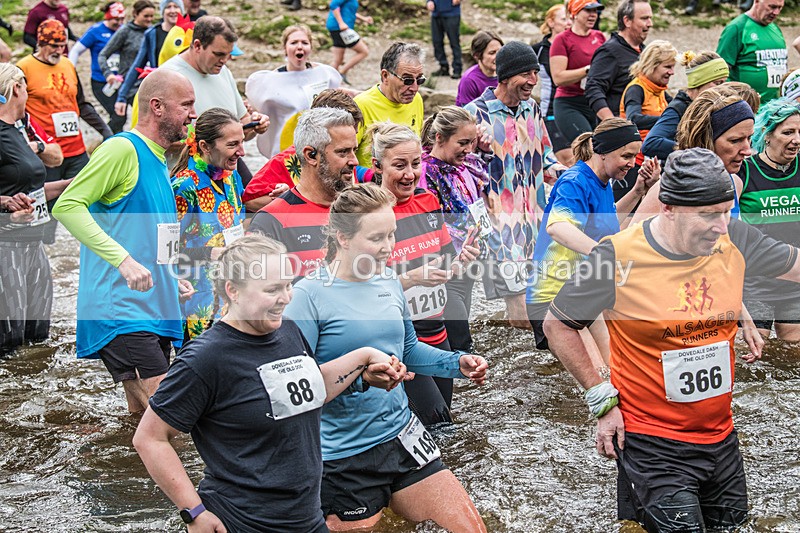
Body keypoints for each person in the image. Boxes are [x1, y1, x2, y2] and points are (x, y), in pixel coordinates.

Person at [543, 147, 800, 533]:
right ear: (668, 208)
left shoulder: (733, 236)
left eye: (726, 210)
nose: (720, 225)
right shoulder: (618, 256)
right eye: (708, 214)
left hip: (721, 437)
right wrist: (601, 399)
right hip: (653, 444)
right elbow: (557, 325)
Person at [133, 234, 409, 532]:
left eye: (288, 285)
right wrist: (195, 512)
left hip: (305, 516)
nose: (286, 298)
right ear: (233, 291)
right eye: (272, 290)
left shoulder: (287, 330)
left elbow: (311, 388)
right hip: (243, 520)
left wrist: (363, 361)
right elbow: (149, 438)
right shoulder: (205, 358)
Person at [285, 183, 488, 532]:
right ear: (343, 238)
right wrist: (361, 377)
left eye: (391, 234)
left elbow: (407, 350)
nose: (388, 248)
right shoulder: (307, 297)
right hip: (343, 456)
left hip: (403, 435)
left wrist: (456, 363)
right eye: (376, 238)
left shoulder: (388, 281)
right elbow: (294, 388)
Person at [52, 69, 196, 414]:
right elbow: (67, 206)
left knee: (142, 416)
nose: (193, 114)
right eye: (187, 105)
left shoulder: (159, 157)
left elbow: (151, 230)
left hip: (152, 305)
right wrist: (123, 260)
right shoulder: (121, 149)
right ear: (157, 106)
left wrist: (170, 278)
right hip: (121, 308)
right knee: (170, 418)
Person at [370, 121, 481, 425]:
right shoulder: (368, 213)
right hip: (400, 341)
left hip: (437, 332)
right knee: (434, 420)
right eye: (399, 165)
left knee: (444, 422)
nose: (410, 174)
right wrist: (412, 278)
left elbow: (445, 267)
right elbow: (360, 286)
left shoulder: (428, 200)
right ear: (377, 166)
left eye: (416, 163)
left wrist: (462, 261)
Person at [527, 118, 659, 361]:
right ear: (604, 152)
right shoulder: (575, 181)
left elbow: (606, 224)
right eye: (627, 156)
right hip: (551, 298)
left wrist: (640, 190)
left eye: (635, 157)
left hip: (582, 289)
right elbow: (557, 227)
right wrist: (604, 252)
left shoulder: (603, 180)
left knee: (615, 370)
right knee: (599, 381)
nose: (632, 164)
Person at [464, 41, 565, 329]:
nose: (533, 81)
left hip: (535, 224)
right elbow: (462, 172)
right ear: (505, 76)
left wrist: (568, 175)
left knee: (542, 304)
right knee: (520, 312)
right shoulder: (474, 114)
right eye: (526, 74)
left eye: (535, 72)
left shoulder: (532, 109)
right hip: (498, 229)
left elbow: (546, 157)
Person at [18, 19, 113, 244]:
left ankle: (89, 250)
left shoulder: (68, 65)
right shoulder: (24, 68)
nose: (58, 51)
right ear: (40, 43)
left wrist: (105, 130)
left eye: (62, 45)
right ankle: (46, 252)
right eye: (53, 45)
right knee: (47, 212)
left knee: (89, 203)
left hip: (76, 150)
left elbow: (81, 103)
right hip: (47, 154)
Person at [0, 64, 70, 355]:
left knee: (38, 338)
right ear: (17, 87)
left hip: (33, 243)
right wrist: (6, 206)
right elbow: (9, 198)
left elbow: (33, 192)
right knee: (9, 343)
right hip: (6, 248)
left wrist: (79, 184)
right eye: (26, 87)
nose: (28, 93)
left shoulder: (18, 131)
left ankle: (30, 397)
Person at [248, 107, 357, 278]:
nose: (354, 161)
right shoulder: (271, 221)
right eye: (343, 152)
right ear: (311, 156)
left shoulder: (360, 210)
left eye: (354, 151)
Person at [160, 16, 268, 184]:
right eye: (218, 54)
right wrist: (203, 139)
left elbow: (243, 126)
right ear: (197, 45)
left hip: (227, 178)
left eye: (228, 55)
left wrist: (255, 124)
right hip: (186, 183)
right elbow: (154, 139)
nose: (224, 61)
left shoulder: (223, 72)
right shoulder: (168, 76)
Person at [420, 105, 492, 354]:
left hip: (472, 251)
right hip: (446, 258)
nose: (468, 149)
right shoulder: (425, 171)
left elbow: (482, 191)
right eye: (462, 142)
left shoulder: (467, 164)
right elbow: (427, 221)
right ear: (440, 137)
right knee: (461, 339)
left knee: (462, 317)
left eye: (471, 142)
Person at [170, 108, 246, 339]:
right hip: (195, 300)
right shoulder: (184, 187)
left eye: (242, 143)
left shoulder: (231, 176)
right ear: (204, 146)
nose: (241, 152)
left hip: (230, 293)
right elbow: (162, 251)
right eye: (233, 145)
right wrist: (209, 252)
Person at [633, 87, 755, 224]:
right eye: (735, 141)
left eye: (749, 138)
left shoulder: (735, 183)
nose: (747, 150)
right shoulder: (669, 190)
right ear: (705, 139)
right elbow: (630, 243)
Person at [243, 88, 371, 212]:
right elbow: (250, 201)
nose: (351, 136)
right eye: (343, 129)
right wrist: (289, 198)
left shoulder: (348, 156)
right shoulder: (288, 159)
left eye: (353, 131)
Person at [739, 98, 800, 341]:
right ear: (767, 134)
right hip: (756, 282)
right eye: (788, 132)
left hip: (795, 280)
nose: (796, 139)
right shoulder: (744, 170)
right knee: (753, 351)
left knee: (791, 354)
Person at [246, 25, 341, 159]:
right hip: (284, 147)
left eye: (305, 43)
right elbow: (257, 110)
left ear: (311, 48)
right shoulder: (269, 81)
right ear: (285, 48)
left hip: (319, 147)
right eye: (294, 42)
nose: (300, 46)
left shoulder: (325, 75)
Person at [615, 40, 676, 201]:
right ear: (652, 65)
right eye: (668, 67)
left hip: (653, 161)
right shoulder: (637, 88)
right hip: (634, 162)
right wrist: (665, 121)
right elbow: (633, 118)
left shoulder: (660, 90)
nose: (672, 72)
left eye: (673, 67)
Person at [642, 50, 729, 162]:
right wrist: (694, 152)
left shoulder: (710, 106)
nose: (722, 89)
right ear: (698, 82)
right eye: (717, 83)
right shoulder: (679, 108)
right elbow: (651, 143)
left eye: (724, 83)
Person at [550, 0, 606, 165]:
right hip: (569, 103)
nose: (593, 15)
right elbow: (558, 77)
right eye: (588, 11)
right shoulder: (562, 40)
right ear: (574, 13)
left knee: (602, 151)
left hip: (594, 103)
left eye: (596, 11)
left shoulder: (599, 37)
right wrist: (588, 70)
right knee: (590, 149)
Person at [354, 42, 425, 166]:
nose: (414, 88)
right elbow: (345, 159)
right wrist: (370, 176)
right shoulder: (361, 105)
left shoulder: (416, 100)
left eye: (420, 80)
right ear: (385, 76)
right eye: (407, 80)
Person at [114, 0, 186, 118]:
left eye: (176, 7)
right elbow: (137, 66)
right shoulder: (152, 33)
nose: (172, 11)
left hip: (183, 89)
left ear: (182, 11)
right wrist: (121, 96)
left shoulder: (189, 33)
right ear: (162, 11)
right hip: (161, 91)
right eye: (168, 7)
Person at [584, 0, 652, 122]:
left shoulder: (645, 51)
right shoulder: (609, 51)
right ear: (627, 21)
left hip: (645, 125)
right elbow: (593, 88)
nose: (650, 23)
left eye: (650, 18)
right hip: (621, 130)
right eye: (644, 18)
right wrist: (611, 121)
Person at [98, 0, 156, 133]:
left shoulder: (153, 31)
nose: (149, 20)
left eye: (152, 16)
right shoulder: (125, 31)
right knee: (123, 120)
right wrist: (108, 74)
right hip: (130, 86)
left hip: (149, 84)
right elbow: (103, 55)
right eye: (146, 16)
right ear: (135, 14)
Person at [69, 2, 126, 133]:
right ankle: (107, 140)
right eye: (116, 20)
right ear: (108, 17)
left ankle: (114, 140)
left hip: (120, 82)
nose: (119, 23)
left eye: (122, 19)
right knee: (117, 114)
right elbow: (76, 50)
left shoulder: (124, 31)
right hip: (101, 82)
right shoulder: (96, 31)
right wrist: (70, 69)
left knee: (120, 116)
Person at [717, 0, 787, 103]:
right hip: (747, 108)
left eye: (780, 8)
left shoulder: (775, 28)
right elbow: (719, 73)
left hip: (775, 106)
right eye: (772, 7)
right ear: (757, 1)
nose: (776, 12)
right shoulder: (737, 28)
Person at [533, 7, 570, 165]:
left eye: (570, 19)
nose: (568, 23)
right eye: (563, 19)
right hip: (550, 111)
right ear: (551, 22)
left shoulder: (575, 46)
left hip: (576, 108)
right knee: (568, 159)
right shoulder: (539, 50)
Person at [327, 0, 372, 84]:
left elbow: (349, 11)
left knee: (338, 59)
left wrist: (364, 19)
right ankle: (342, 72)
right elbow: (333, 5)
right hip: (340, 28)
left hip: (337, 28)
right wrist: (341, 23)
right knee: (363, 51)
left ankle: (327, 82)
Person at [456, 30, 502, 107]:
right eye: (492, 53)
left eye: (500, 51)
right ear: (477, 55)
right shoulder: (470, 80)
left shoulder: (505, 74)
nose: (498, 57)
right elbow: (467, 113)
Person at [427, 0, 461, 79]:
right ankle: (443, 67)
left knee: (454, 42)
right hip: (436, 13)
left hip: (452, 13)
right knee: (437, 41)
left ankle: (457, 69)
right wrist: (429, 1)